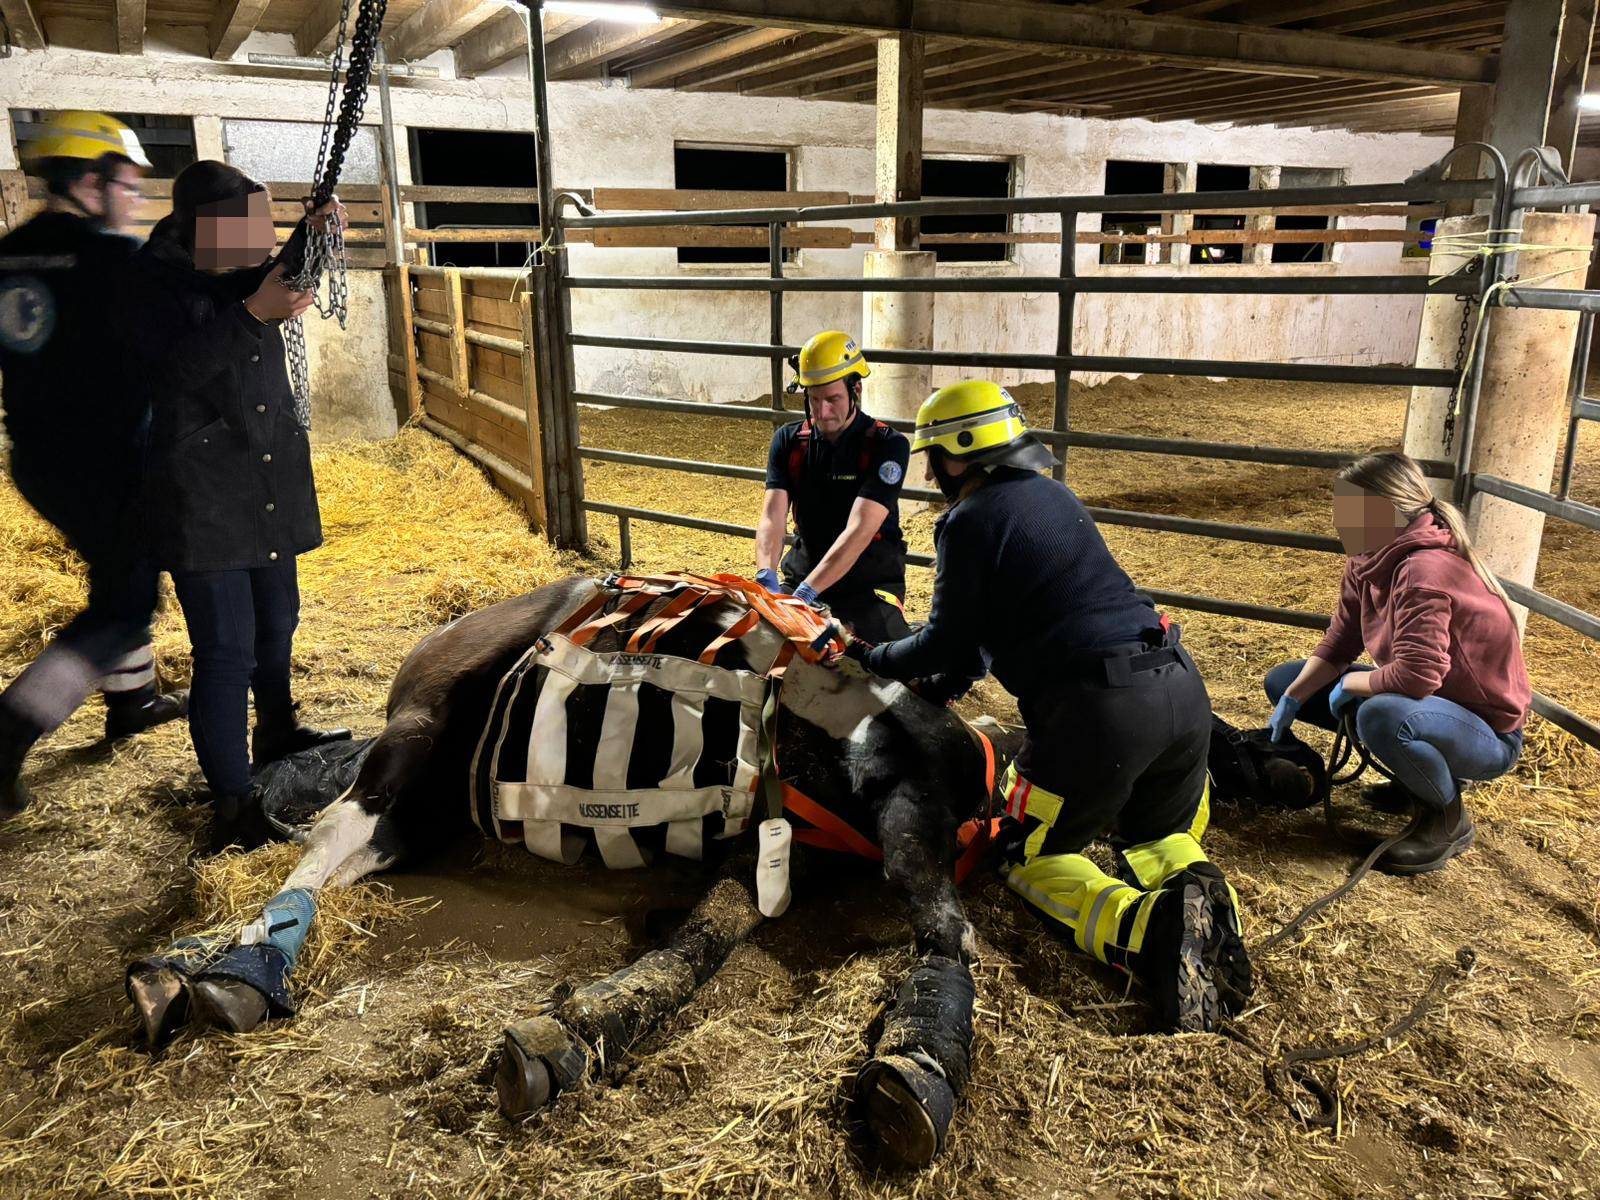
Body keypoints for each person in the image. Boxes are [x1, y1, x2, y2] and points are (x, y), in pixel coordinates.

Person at [848, 380, 1251, 1032]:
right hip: (1179, 691)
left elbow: (947, 639)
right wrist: (942, 690)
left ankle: (1147, 933)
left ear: (960, 453)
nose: (929, 472)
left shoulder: (970, 521)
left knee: (1023, 853)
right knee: (1158, 836)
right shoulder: (1051, 496)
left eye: (933, 456)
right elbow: (981, 643)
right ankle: (1209, 917)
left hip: (1100, 712)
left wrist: (873, 658)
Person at [116, 161, 350, 852]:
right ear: (206, 227)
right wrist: (252, 316)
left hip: (264, 475)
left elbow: (276, 276)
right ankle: (232, 803)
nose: (263, 237)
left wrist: (314, 231)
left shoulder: (236, 267)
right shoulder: (150, 285)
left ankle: (276, 729)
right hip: (201, 491)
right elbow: (167, 375)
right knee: (226, 651)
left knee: (278, 623)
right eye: (249, 223)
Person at [0, 111, 189, 817]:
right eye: (127, 183)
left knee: (120, 574)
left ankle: (132, 702)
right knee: (127, 602)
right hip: (105, 459)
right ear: (88, 182)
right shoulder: (114, 260)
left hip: (38, 457)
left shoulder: (9, 253)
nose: (135, 197)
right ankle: (6, 735)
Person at [1265, 452, 1531, 875]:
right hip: (1432, 704)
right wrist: (1293, 699)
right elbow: (1340, 642)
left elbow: (1417, 675)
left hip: (1486, 732)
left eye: (1349, 509)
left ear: (1385, 512)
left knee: (1382, 715)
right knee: (1284, 680)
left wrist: (1353, 685)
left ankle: (1446, 818)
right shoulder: (1368, 557)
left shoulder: (1424, 570)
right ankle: (1415, 778)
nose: (1337, 520)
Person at [754, 330, 912, 643]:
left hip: (868, 586)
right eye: (814, 399)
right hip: (802, 574)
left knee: (881, 658)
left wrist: (807, 593)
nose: (823, 412)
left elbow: (860, 530)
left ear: (856, 389)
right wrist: (766, 577)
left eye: (833, 399)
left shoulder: (887, 445)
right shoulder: (789, 441)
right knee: (757, 641)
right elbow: (772, 516)